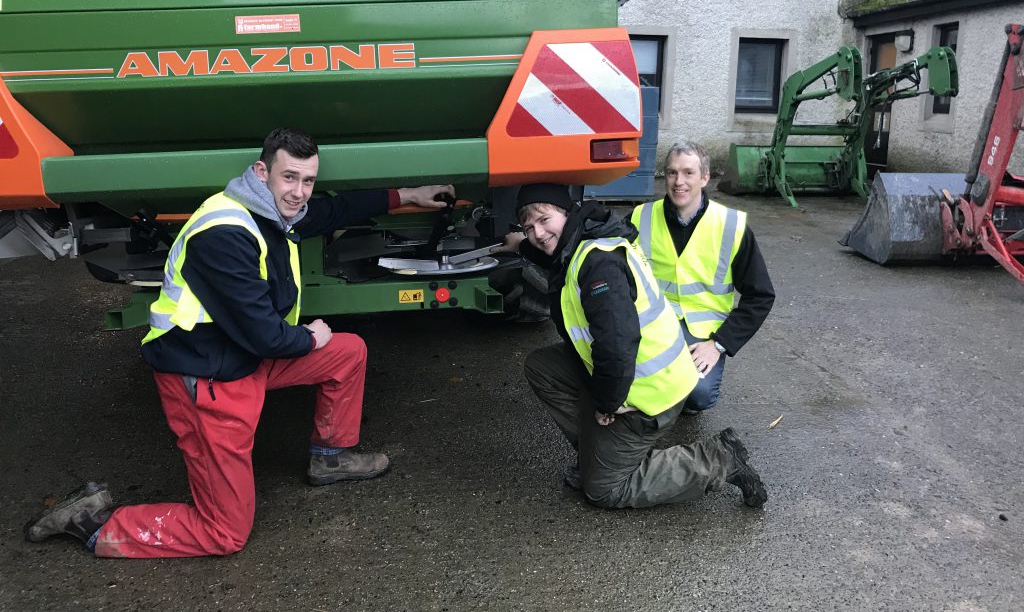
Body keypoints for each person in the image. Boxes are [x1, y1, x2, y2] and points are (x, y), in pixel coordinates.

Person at [24, 128, 454, 558]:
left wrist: (409, 194)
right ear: (262, 171)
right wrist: (309, 336)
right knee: (225, 533)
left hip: (245, 360)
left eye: (307, 180)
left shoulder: (272, 211)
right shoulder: (224, 233)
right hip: (207, 377)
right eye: (290, 178)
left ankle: (330, 458)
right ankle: (91, 521)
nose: (299, 192)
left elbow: (333, 211)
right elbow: (265, 335)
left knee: (347, 352)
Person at [512, 183, 767, 509]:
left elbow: (618, 345)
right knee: (542, 367)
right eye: (529, 227)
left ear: (567, 213)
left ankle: (720, 459)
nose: (538, 232)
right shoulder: (587, 238)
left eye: (544, 220)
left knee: (603, 490)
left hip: (652, 392)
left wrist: (608, 403)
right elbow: (553, 254)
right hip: (642, 373)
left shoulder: (598, 266)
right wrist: (521, 245)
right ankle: (600, 456)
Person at [631, 141, 774, 414]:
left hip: (702, 332)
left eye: (688, 173)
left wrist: (719, 344)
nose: (678, 182)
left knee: (697, 396)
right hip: (652, 323)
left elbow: (761, 295)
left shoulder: (731, 225)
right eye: (672, 173)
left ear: (705, 177)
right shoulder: (640, 217)